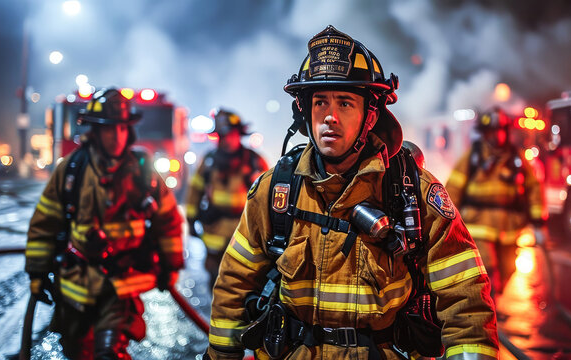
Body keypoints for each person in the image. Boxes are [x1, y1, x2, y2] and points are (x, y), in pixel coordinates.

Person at [205, 26, 498, 360]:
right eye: (320, 102)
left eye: (345, 103)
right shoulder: (276, 191)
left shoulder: (412, 191)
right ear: (304, 110)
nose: (330, 117)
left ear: (370, 114)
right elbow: (234, 283)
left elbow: (466, 299)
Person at [25, 88, 184, 359]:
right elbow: (45, 223)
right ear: (95, 131)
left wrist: (172, 264)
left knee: (109, 352)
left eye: (122, 129)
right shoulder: (71, 169)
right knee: (77, 352)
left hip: (120, 285)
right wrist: (37, 273)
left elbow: (168, 219)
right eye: (110, 129)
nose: (117, 136)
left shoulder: (144, 170)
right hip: (75, 285)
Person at [445, 107, 547, 297]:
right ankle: (488, 312)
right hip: (479, 226)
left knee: (509, 270)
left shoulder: (517, 158)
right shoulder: (473, 157)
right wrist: (447, 220)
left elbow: (534, 188)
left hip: (509, 229)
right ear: (484, 133)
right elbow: (454, 188)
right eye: (492, 131)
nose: (497, 136)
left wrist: (538, 222)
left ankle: (493, 303)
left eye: (500, 130)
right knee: (487, 270)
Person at [184, 109, 268, 290]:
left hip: (244, 234)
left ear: (238, 133)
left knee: (245, 284)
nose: (224, 140)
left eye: (228, 135)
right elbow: (195, 190)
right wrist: (191, 220)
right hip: (214, 231)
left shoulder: (254, 161)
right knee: (216, 284)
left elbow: (267, 198)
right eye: (220, 136)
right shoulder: (209, 161)